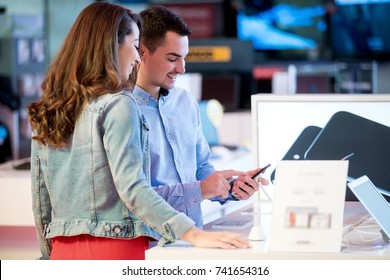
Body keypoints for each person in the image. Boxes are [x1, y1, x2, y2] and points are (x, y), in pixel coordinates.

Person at [27, 2, 250, 260]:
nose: (136, 57)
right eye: (134, 46)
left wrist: (47, 259)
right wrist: (194, 233)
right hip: (121, 246)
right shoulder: (121, 104)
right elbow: (133, 190)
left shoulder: (49, 109)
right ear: (112, 46)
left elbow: (41, 200)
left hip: (64, 252)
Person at [135, 5, 269, 228]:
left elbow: (201, 167)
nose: (182, 68)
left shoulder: (185, 102)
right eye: (172, 58)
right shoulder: (120, 108)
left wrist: (229, 188)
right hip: (149, 245)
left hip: (193, 238)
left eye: (184, 58)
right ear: (141, 53)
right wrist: (200, 189)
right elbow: (133, 196)